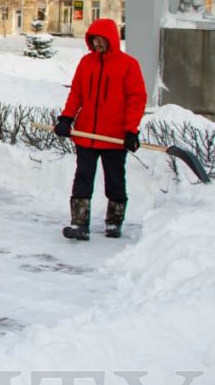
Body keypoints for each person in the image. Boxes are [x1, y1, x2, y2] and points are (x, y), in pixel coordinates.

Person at [53, 17, 147, 240]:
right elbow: (77, 93)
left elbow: (136, 99)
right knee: (82, 178)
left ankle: (114, 222)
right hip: (86, 135)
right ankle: (79, 223)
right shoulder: (87, 63)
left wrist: (131, 130)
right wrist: (67, 118)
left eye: (101, 40)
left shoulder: (128, 65)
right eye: (94, 40)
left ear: (111, 39)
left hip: (114, 136)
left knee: (115, 180)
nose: (97, 44)